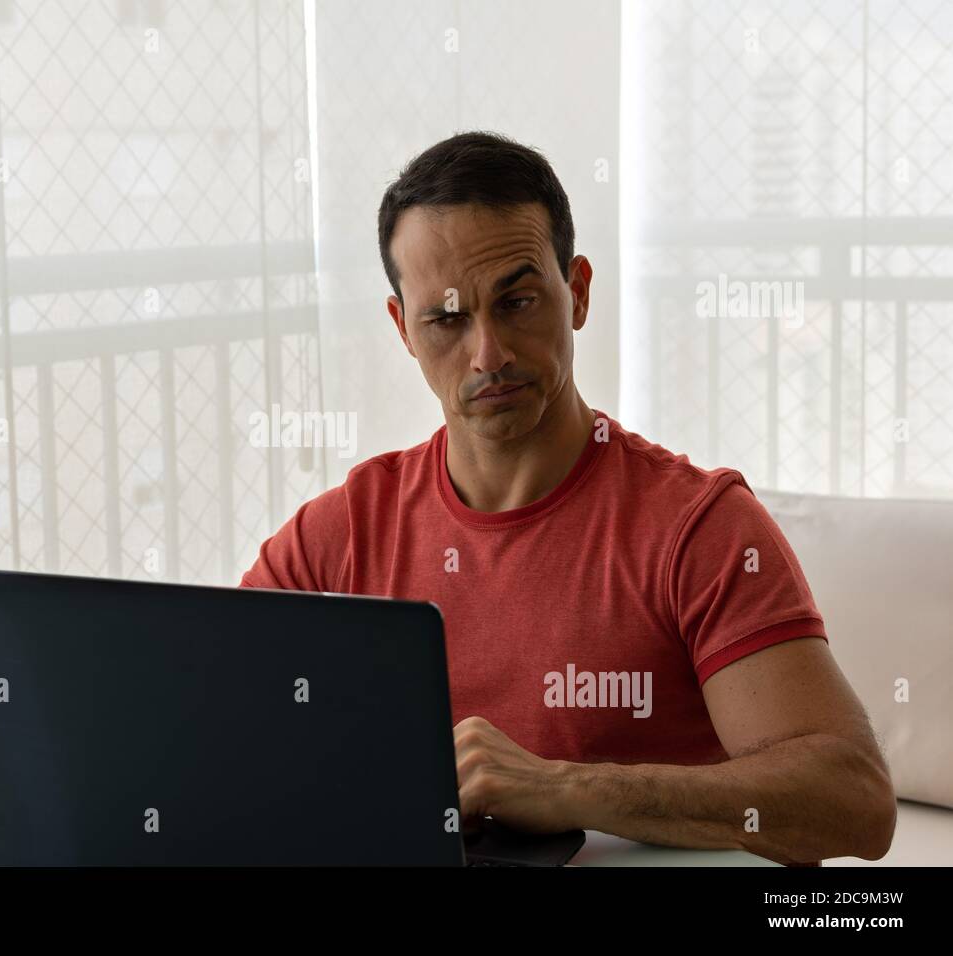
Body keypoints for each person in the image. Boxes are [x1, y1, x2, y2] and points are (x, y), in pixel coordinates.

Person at [240, 131, 895, 866]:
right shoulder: (340, 536)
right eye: (447, 319)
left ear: (577, 292)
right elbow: (218, 741)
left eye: (517, 301)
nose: (489, 353)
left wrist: (566, 788)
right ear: (403, 330)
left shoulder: (699, 527)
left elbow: (855, 802)